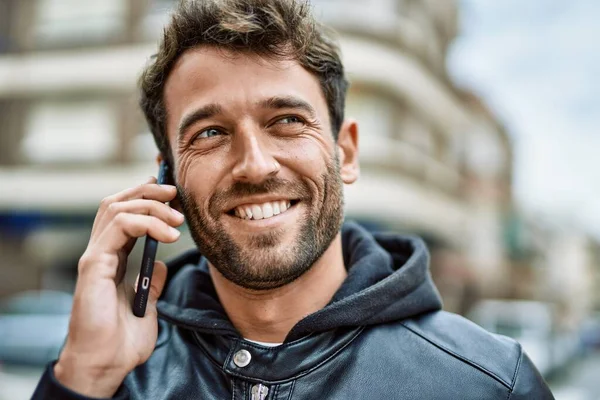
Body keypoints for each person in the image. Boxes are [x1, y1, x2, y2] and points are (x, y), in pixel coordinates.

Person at [33, 0, 553, 398]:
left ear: (344, 152)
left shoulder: (489, 383)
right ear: (167, 175)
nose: (255, 164)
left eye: (286, 121)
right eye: (210, 133)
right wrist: (83, 378)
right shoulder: (109, 375)